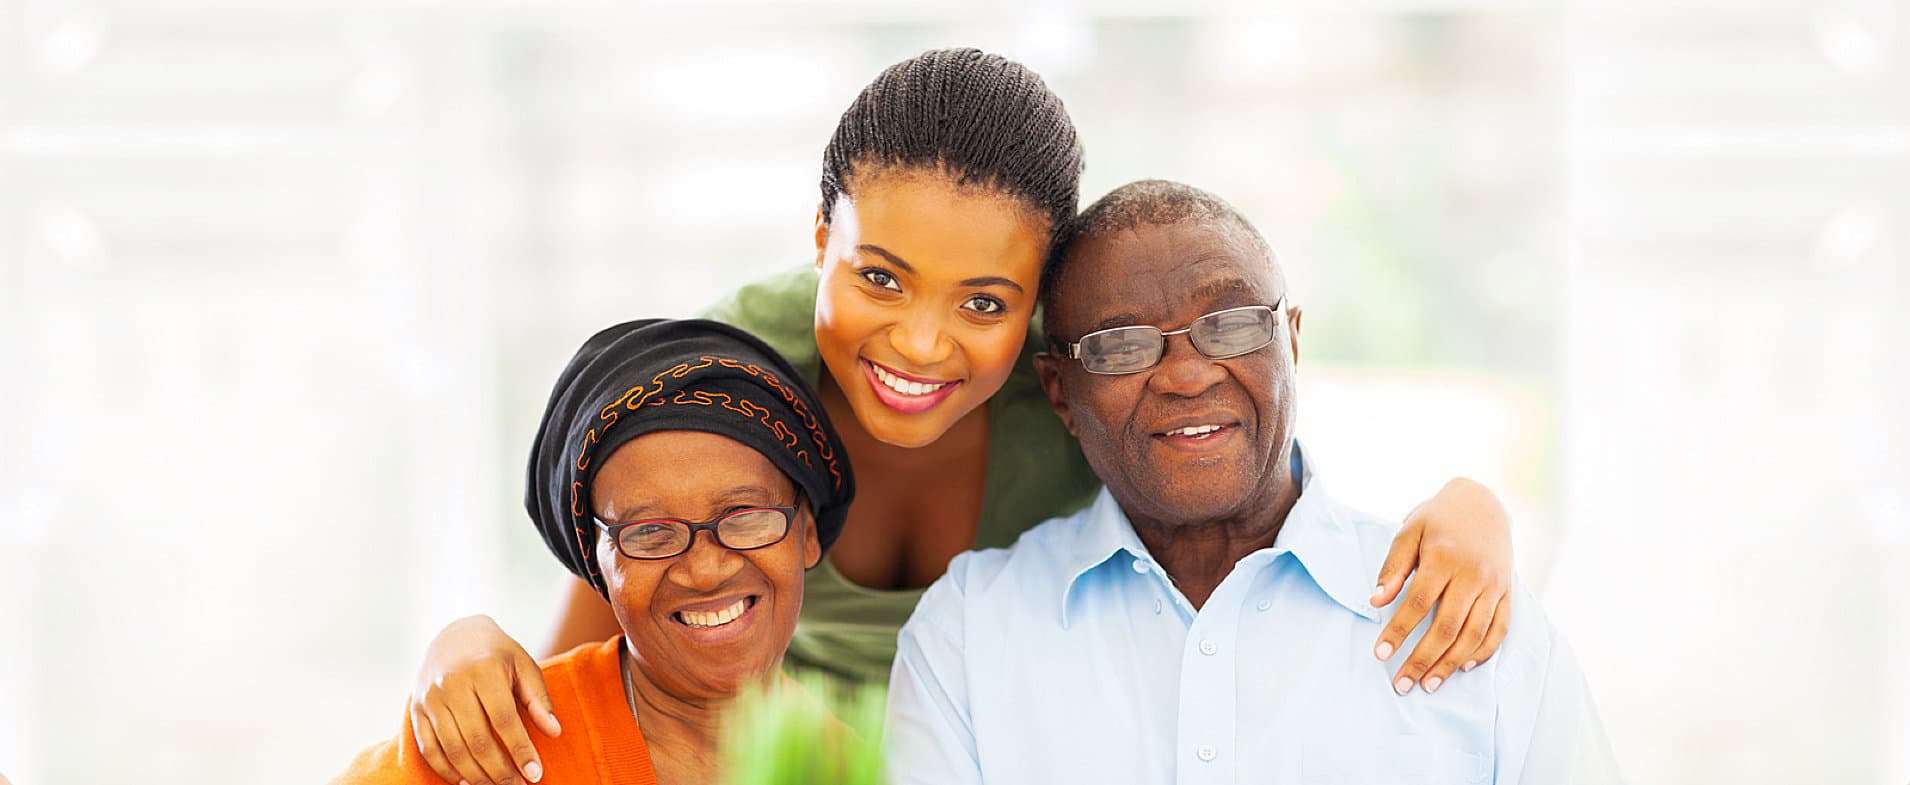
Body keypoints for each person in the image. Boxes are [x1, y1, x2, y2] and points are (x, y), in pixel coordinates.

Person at [410, 49, 1521, 785]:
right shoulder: (737, 379)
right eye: (880, 278)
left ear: (1042, 316)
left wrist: (1474, 510)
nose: (920, 345)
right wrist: (461, 645)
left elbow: (1255, 493)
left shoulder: (1081, 410)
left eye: (982, 303)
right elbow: (606, 628)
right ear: (818, 242)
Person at [886, 180, 1621, 784]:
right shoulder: (967, 636)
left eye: (1232, 321)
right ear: (1059, 392)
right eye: (1120, 344)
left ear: (1291, 339)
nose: (1187, 373)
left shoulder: (1466, 612)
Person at [334, 319, 857, 785]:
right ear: (598, 563)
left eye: (745, 518)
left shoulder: (862, 767)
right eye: (651, 533)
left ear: (806, 531)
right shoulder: (487, 751)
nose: (704, 569)